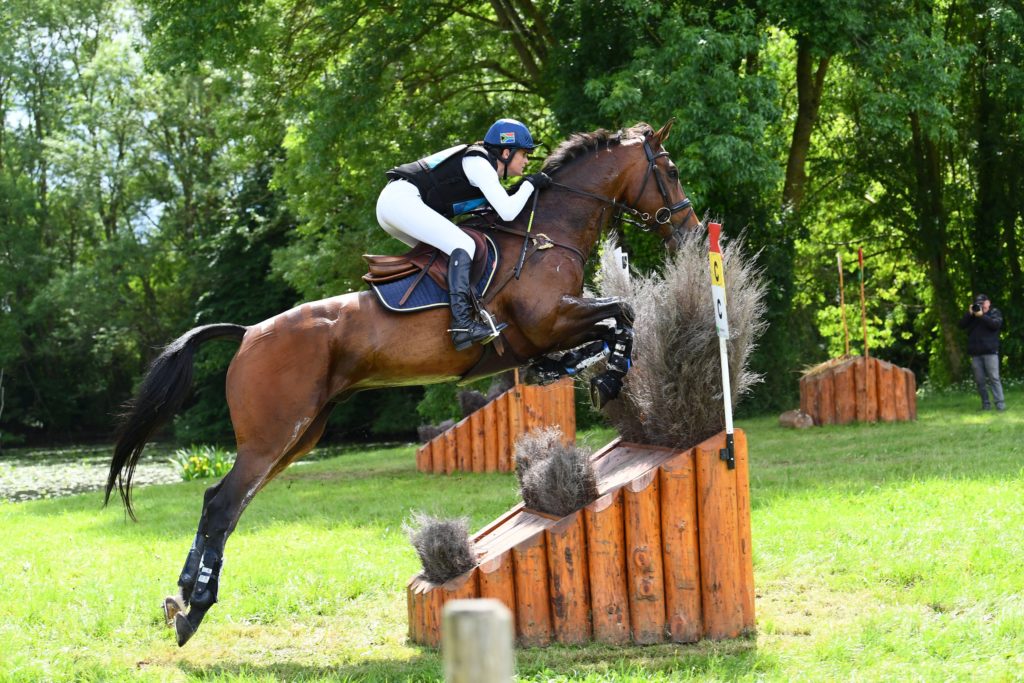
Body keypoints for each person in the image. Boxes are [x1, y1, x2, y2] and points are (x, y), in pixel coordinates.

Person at [376, 118, 552, 351]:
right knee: (463, 244)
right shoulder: (479, 162)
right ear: (507, 152)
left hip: (394, 206)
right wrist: (530, 184)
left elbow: (497, 210)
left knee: (446, 255)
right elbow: (508, 212)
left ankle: (438, 315)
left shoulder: (485, 172)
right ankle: (462, 325)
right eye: (524, 154)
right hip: (400, 200)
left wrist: (524, 188)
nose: (527, 161)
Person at [958, 293, 1006, 411]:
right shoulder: (972, 316)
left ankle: (1000, 405)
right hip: (975, 353)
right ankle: (986, 405)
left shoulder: (994, 312)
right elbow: (961, 325)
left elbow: (995, 325)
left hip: (990, 352)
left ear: (988, 303)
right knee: (980, 381)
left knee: (994, 378)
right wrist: (969, 314)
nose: (980, 306)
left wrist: (982, 316)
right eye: (978, 303)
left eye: (982, 303)